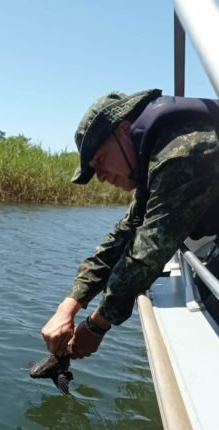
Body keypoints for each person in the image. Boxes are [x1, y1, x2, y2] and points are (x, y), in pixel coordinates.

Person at [42, 89, 219, 358]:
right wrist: (67, 308)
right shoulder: (154, 159)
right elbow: (122, 236)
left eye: (100, 160)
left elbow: (148, 251)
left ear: (124, 130)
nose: (100, 176)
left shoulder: (182, 151)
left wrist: (96, 325)